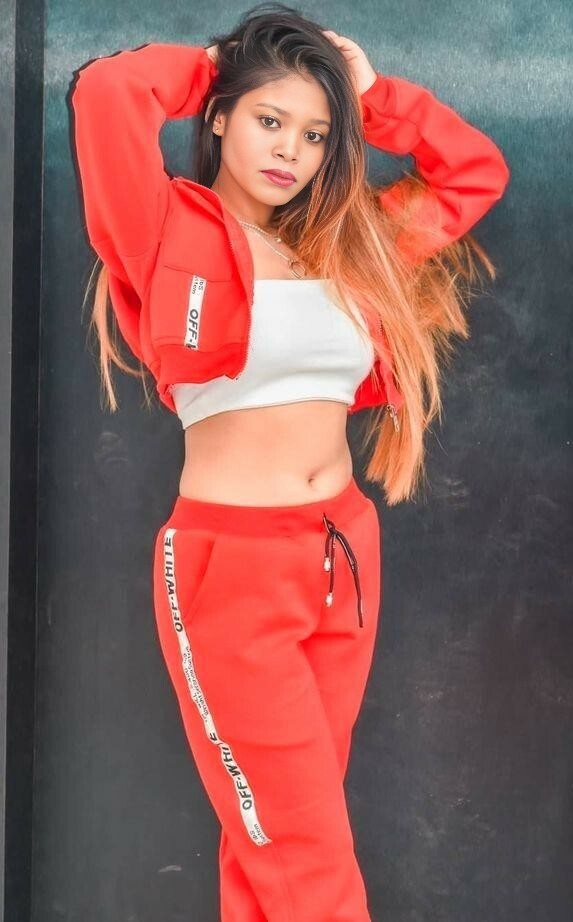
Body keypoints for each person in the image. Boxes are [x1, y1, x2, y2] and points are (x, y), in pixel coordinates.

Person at [71, 3, 510, 919]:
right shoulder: (163, 232)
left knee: (271, 842)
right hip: (229, 571)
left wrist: (373, 97)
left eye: (314, 134)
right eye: (269, 119)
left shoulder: (349, 246)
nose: (291, 151)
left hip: (342, 555)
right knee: (304, 854)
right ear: (220, 116)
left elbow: (474, 172)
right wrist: (218, 64)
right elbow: (108, 90)